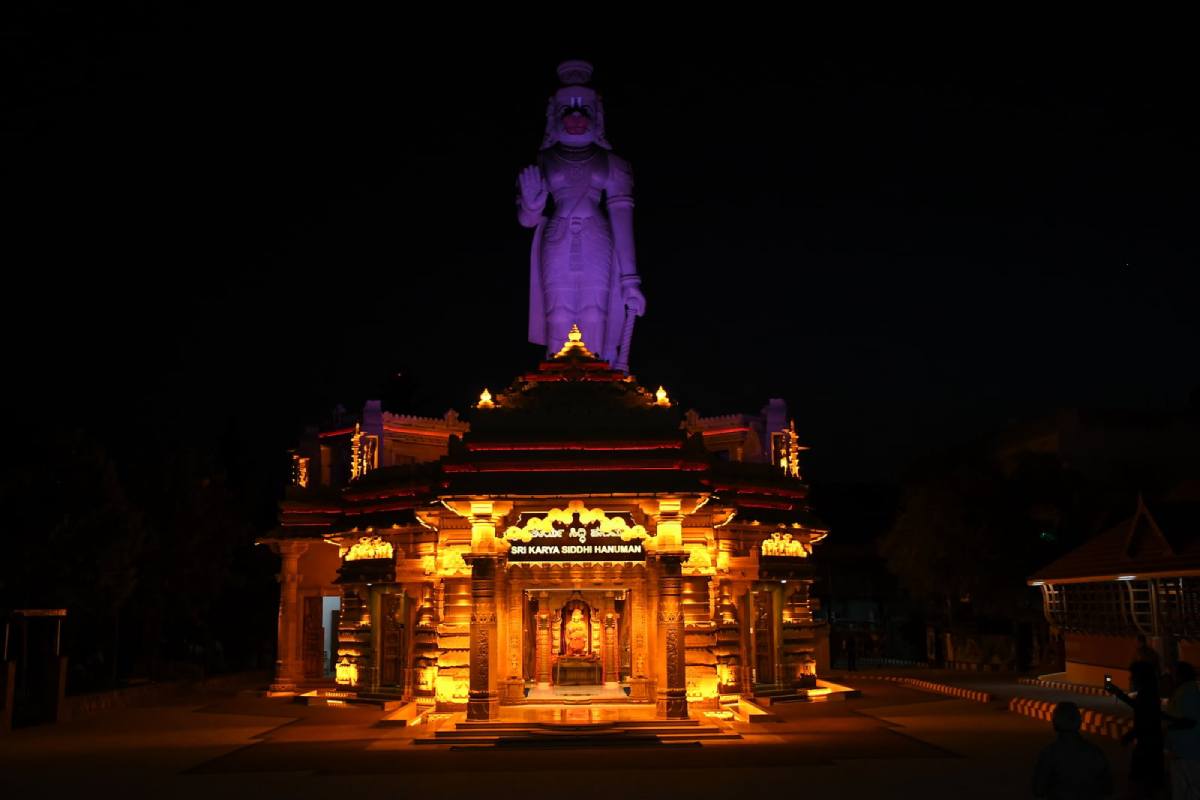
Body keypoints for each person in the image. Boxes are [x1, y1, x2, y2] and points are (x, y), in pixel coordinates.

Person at [518, 60, 646, 371]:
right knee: (558, 311)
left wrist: (630, 281)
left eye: (584, 110)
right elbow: (526, 221)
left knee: (594, 310)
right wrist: (532, 204)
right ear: (555, 116)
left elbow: (622, 218)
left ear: (596, 115)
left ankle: (597, 378)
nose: (576, 117)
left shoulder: (613, 163)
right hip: (557, 236)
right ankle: (557, 381)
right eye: (567, 111)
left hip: (597, 237)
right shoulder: (545, 158)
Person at [1105, 660, 1166, 798]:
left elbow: (1145, 719)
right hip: (1152, 745)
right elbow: (1140, 708)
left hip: (1147, 746)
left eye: (1133, 675)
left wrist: (1130, 735)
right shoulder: (1149, 692)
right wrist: (1119, 693)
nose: (1130, 678)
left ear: (1140, 677)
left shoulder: (1147, 694)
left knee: (1140, 785)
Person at [1032, 701, 1114, 799]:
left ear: (1055, 723)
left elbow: (1038, 789)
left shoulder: (1048, 754)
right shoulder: (1095, 752)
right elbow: (1108, 788)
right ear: (1079, 722)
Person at [1165, 661, 1200, 800]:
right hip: (1186, 752)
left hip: (1187, 754)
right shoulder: (1187, 692)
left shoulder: (1186, 693)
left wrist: (1168, 728)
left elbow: (1189, 721)